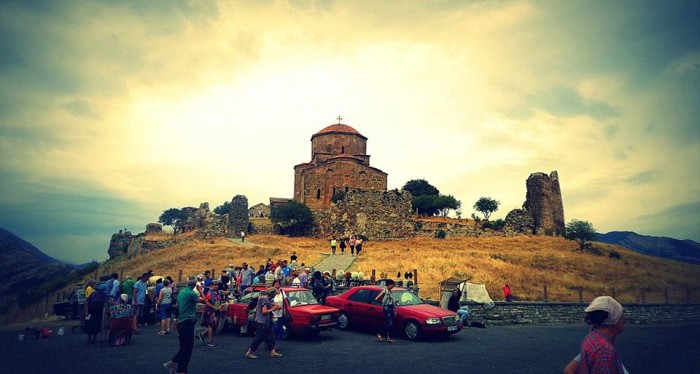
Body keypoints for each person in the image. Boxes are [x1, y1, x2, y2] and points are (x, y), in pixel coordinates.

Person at [564, 296, 626, 374]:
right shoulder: (604, 350)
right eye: (621, 315)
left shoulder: (592, 337)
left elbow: (568, 370)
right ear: (615, 320)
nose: (624, 319)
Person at [164, 277, 203, 374]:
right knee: (188, 348)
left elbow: (177, 306)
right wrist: (200, 291)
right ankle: (177, 366)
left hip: (182, 322)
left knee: (184, 347)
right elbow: (204, 300)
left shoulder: (182, 292)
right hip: (188, 322)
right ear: (195, 284)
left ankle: (178, 367)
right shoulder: (191, 293)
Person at [245, 287, 283, 359]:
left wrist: (274, 304)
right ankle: (249, 352)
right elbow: (264, 311)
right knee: (259, 337)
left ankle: (273, 352)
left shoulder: (264, 299)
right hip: (263, 322)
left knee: (270, 336)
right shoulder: (265, 300)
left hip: (265, 321)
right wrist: (273, 309)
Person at [198, 281, 223, 347]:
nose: (216, 286)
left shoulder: (218, 292)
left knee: (213, 326)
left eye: (217, 285)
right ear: (211, 286)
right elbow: (207, 302)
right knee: (211, 326)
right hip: (210, 311)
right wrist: (214, 307)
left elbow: (220, 301)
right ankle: (209, 341)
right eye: (214, 285)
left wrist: (220, 306)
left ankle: (202, 334)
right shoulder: (210, 293)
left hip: (216, 311)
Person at [374, 279, 396, 343]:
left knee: (389, 324)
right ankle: (380, 334)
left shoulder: (390, 291)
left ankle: (388, 338)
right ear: (388, 285)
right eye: (392, 285)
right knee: (390, 323)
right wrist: (382, 303)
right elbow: (376, 298)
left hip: (391, 309)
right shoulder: (384, 291)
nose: (393, 287)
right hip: (386, 309)